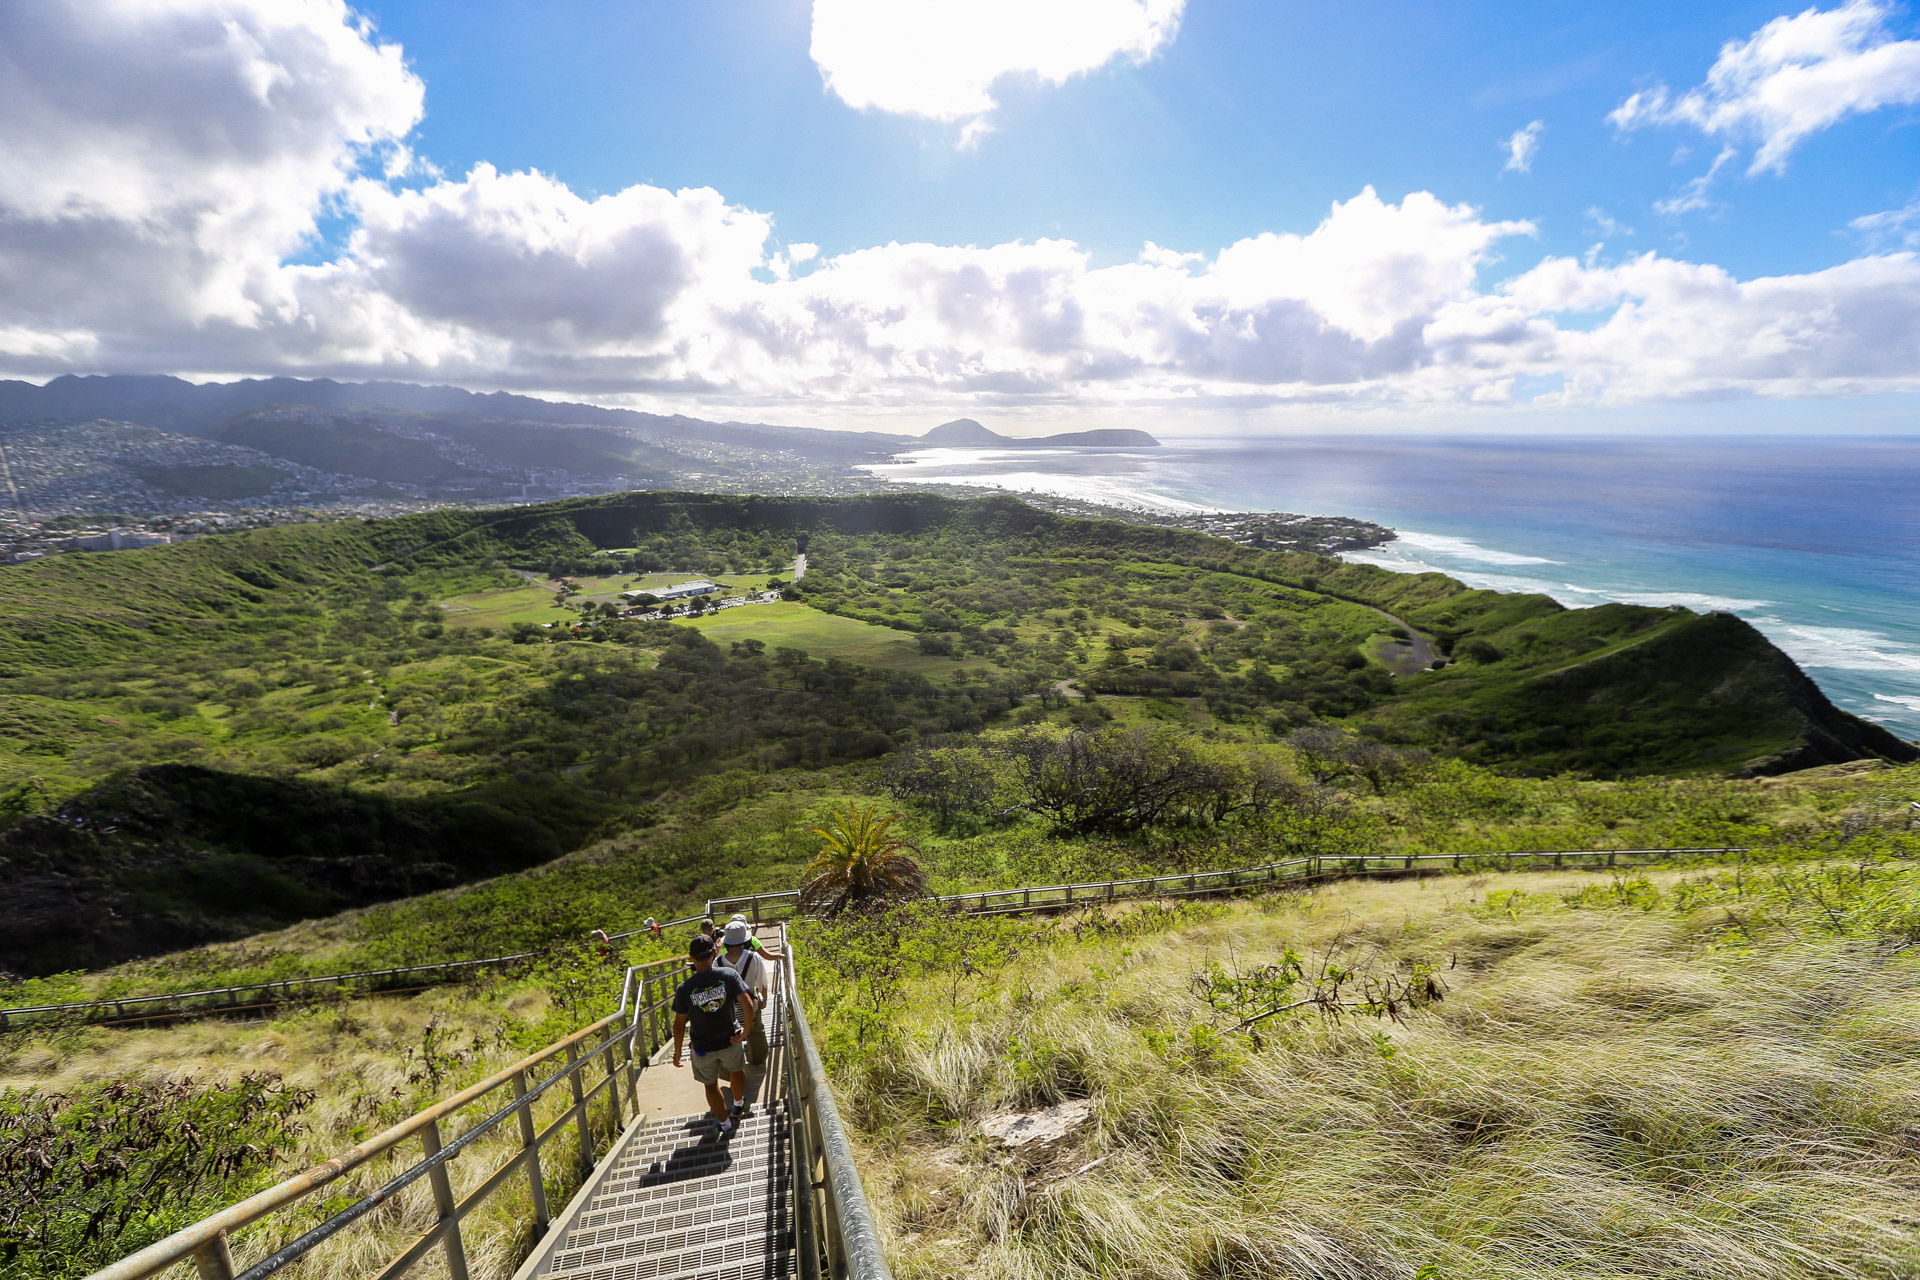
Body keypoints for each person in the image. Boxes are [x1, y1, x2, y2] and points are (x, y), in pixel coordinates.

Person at [671, 935, 756, 1137]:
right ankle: (738, 1104)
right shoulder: (728, 975)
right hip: (730, 1039)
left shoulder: (684, 989)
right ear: (715, 953)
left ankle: (725, 1124)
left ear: (691, 958)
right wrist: (746, 1032)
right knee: (736, 1070)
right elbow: (748, 1005)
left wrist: (677, 1053)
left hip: (702, 1047)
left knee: (710, 1085)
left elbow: (679, 1025)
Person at [721, 921, 771, 1107]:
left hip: (729, 1009)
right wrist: (763, 1000)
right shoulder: (753, 957)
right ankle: (756, 1058)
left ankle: (733, 1070)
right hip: (751, 1004)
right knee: (755, 1032)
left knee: (732, 1037)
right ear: (744, 941)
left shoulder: (719, 961)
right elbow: (762, 982)